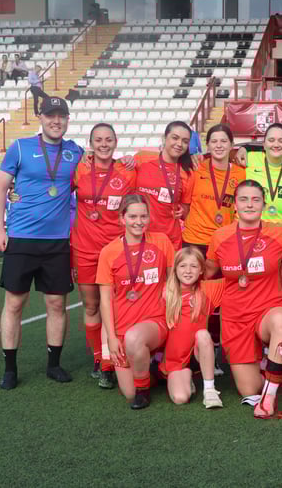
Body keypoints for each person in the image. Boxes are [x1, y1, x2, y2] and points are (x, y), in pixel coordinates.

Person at [0, 97, 84, 390]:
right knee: (15, 303)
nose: (56, 121)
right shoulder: (20, 147)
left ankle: (53, 364)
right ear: (40, 118)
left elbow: (102, 166)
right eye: (50, 116)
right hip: (21, 237)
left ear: (68, 119)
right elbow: (1, 189)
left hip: (57, 242)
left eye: (61, 116)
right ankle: (9, 368)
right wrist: (0, 229)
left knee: (57, 303)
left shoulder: (76, 152)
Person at [203, 180, 282, 418]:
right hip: (235, 317)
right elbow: (208, 269)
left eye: (255, 199)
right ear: (235, 205)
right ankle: (274, 371)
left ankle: (270, 395)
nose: (249, 204)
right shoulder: (219, 236)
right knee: (248, 388)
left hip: (267, 311)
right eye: (244, 199)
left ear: (264, 204)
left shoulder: (277, 230)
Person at [71, 123, 136, 389]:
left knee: (118, 307)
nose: (103, 144)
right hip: (85, 248)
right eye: (98, 140)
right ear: (91, 143)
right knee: (91, 306)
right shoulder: (79, 167)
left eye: (108, 139)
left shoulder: (127, 170)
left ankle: (113, 359)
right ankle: (99, 360)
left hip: (115, 249)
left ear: (116, 142)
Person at [97, 195, 174, 409]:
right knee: (128, 391)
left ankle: (144, 390)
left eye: (143, 216)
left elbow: (174, 278)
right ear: (122, 219)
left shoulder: (161, 241)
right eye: (132, 216)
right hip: (123, 326)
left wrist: (169, 292)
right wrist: (111, 339)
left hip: (155, 321)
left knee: (134, 339)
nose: (138, 221)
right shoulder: (108, 252)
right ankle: (154, 371)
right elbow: (105, 300)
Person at [160, 247, 225, 408]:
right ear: (174, 269)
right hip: (177, 360)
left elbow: (238, 279)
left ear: (202, 269)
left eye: (194, 266)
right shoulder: (165, 292)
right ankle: (187, 377)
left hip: (199, 352)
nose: (188, 271)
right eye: (182, 266)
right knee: (180, 398)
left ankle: (209, 390)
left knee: (203, 334)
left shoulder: (209, 289)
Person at [182, 124, 245, 255]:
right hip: (194, 240)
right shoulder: (196, 168)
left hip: (224, 241)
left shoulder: (241, 173)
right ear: (208, 145)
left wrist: (245, 148)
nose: (219, 145)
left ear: (232, 144)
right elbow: (186, 206)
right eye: (214, 141)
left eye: (224, 141)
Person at [133, 121, 194, 249]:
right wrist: (89, 155)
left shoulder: (187, 173)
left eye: (185, 141)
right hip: (139, 235)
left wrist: (182, 211)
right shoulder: (141, 159)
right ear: (164, 138)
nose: (179, 144)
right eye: (175, 138)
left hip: (169, 240)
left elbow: (186, 211)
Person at [245, 123, 282, 224]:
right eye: (271, 140)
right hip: (254, 230)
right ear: (264, 144)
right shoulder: (249, 159)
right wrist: (242, 148)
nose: (276, 145)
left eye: (281, 141)